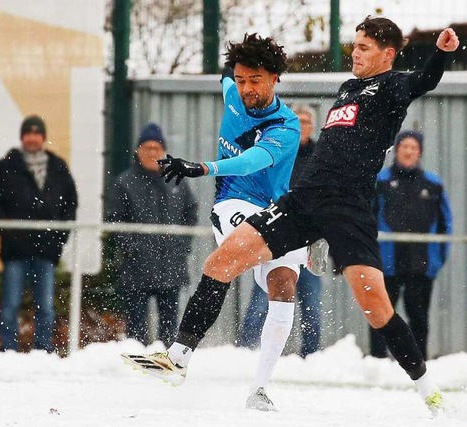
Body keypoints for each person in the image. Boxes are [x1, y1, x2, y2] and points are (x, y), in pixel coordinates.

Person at [123, 17, 459, 415]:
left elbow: (426, 80)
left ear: (388, 54)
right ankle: (178, 359)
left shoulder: (394, 86)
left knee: (376, 308)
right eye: (355, 44)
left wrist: (441, 54)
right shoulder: (349, 87)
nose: (355, 52)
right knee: (221, 260)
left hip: (348, 208)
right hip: (304, 200)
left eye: (364, 47)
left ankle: (430, 394)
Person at [122, 33, 328, 411]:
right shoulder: (231, 91)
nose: (247, 88)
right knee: (224, 262)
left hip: (275, 208)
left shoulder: (286, 126)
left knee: (283, 285)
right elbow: (225, 74)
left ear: (275, 78)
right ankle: (179, 357)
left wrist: (202, 167)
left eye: (256, 80)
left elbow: (254, 160)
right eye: (242, 79)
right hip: (233, 203)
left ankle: (259, 390)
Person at [0, 115, 78, 352]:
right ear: (22, 137)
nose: (33, 138)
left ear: (43, 138)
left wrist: (58, 238)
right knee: (10, 305)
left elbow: (70, 204)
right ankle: (8, 351)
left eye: (37, 133)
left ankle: (43, 351)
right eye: (28, 133)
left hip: (46, 251)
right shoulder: (7, 165)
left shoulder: (57, 167)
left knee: (46, 306)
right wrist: (10, 233)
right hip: (15, 251)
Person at [237, 105, 322, 357]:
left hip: (308, 239)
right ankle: (245, 351)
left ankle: (311, 357)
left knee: (311, 304)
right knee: (261, 300)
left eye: (307, 121)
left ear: (313, 127)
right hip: (276, 235)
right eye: (299, 121)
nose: (303, 126)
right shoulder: (279, 151)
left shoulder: (321, 157)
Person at [106, 122, 198, 347]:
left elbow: (191, 213)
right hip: (136, 270)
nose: (152, 153)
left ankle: (166, 362)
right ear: (138, 151)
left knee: (169, 330)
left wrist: (181, 247)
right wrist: (133, 249)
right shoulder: (124, 183)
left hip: (171, 269)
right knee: (136, 330)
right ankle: (135, 363)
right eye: (147, 148)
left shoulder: (176, 179)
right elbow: (114, 220)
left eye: (157, 148)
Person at [369, 130, 452, 360]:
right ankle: (377, 362)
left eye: (413, 147)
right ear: (397, 150)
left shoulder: (433, 184)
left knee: (419, 316)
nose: (409, 151)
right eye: (404, 146)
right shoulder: (381, 181)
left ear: (420, 152)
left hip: (421, 263)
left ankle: (418, 363)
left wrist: (437, 259)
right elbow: (367, 217)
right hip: (386, 264)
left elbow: (446, 223)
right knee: (381, 314)